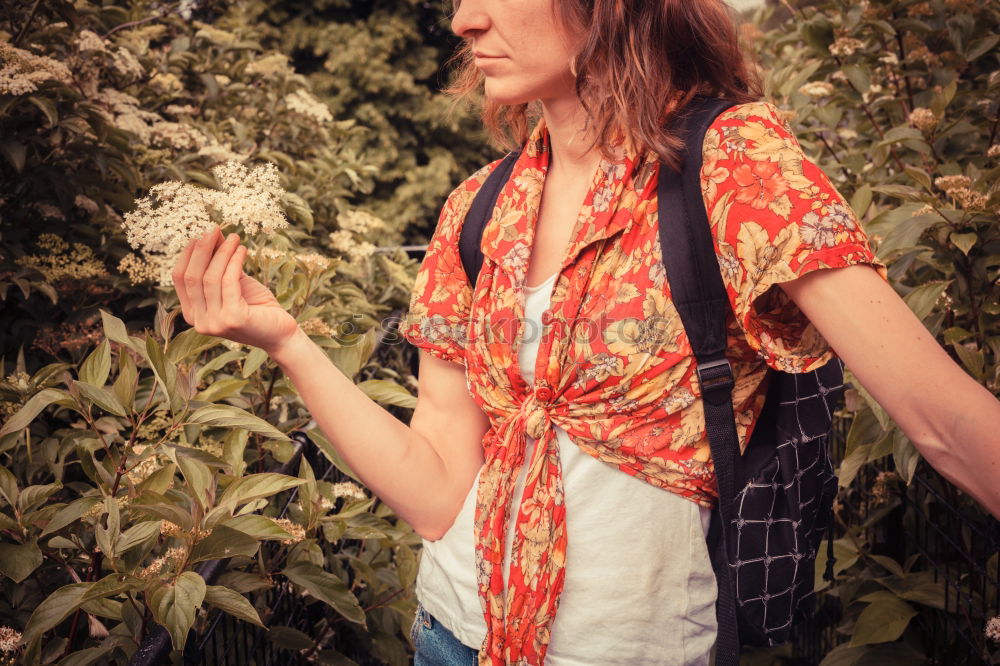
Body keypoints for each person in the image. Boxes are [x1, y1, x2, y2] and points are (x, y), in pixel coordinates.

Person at [171, 0, 1000, 664]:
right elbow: (434, 493)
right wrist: (288, 342)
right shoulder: (478, 209)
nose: (462, 20)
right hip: (451, 638)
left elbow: (941, 420)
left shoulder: (732, 166)